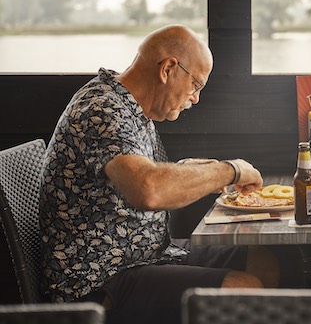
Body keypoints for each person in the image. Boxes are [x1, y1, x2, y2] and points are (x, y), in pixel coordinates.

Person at [39, 24, 279, 323]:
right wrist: (228, 171)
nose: (195, 98)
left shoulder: (128, 105)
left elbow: (143, 175)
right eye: (196, 85)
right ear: (168, 68)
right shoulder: (102, 109)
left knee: (264, 260)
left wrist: (199, 171)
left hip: (147, 254)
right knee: (244, 289)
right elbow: (149, 189)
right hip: (99, 280)